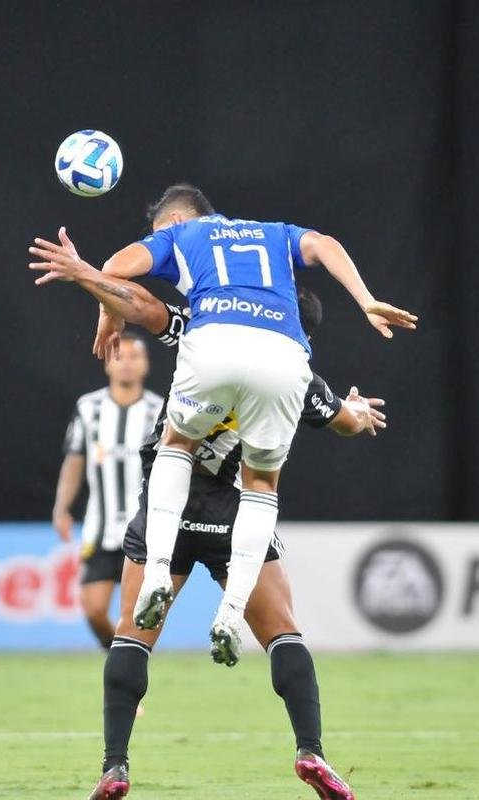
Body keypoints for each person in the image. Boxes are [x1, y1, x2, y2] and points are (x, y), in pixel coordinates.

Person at [29, 236, 380, 800]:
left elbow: (142, 305)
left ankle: (115, 766)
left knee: (132, 637)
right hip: (236, 519)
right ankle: (310, 750)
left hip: (166, 510)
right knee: (284, 632)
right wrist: (359, 414)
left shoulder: (206, 329)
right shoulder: (296, 376)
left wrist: (86, 275)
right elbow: (340, 418)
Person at [33, 183, 416, 672]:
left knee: (175, 442)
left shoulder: (191, 275)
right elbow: (342, 413)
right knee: (263, 485)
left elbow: (135, 292)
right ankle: (231, 614)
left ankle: (155, 575)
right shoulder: (280, 260)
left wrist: (103, 305)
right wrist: (365, 302)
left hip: (185, 459)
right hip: (248, 466)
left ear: (173, 222)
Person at [54, 332, 164, 648]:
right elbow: (75, 460)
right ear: (107, 364)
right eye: (119, 357)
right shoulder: (89, 408)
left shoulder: (159, 411)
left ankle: (128, 678)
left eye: (134, 357)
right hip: (99, 531)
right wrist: (62, 508)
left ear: (145, 365)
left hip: (144, 529)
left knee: (136, 617)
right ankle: (119, 660)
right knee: (93, 609)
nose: (126, 364)